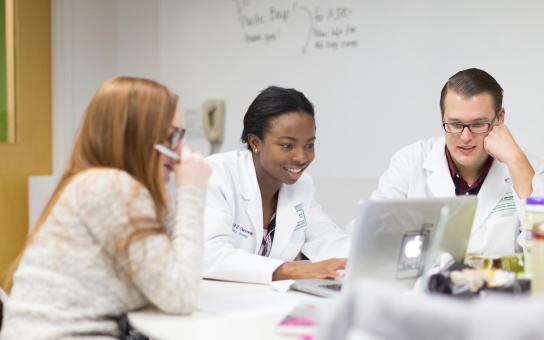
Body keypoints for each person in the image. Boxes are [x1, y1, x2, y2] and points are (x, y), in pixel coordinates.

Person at [0, 77, 211, 339]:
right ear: (137, 136)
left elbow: (172, 270)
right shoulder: (110, 187)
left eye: (180, 136)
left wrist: (166, 197)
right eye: (171, 136)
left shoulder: (110, 185)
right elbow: (181, 294)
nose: (179, 150)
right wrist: (192, 192)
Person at [372, 68, 544, 255]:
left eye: (478, 124)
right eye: (455, 124)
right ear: (442, 117)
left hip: (500, 284)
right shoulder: (410, 162)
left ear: (499, 119)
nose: (465, 137)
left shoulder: (527, 168)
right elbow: (374, 235)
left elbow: (540, 251)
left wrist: (515, 160)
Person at [203, 86, 350, 284]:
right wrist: (292, 271)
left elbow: (325, 238)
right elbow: (209, 254)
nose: (302, 157)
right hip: (215, 303)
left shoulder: (302, 185)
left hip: (266, 301)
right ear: (255, 142)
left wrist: (369, 258)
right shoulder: (216, 174)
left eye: (309, 145)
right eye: (287, 145)